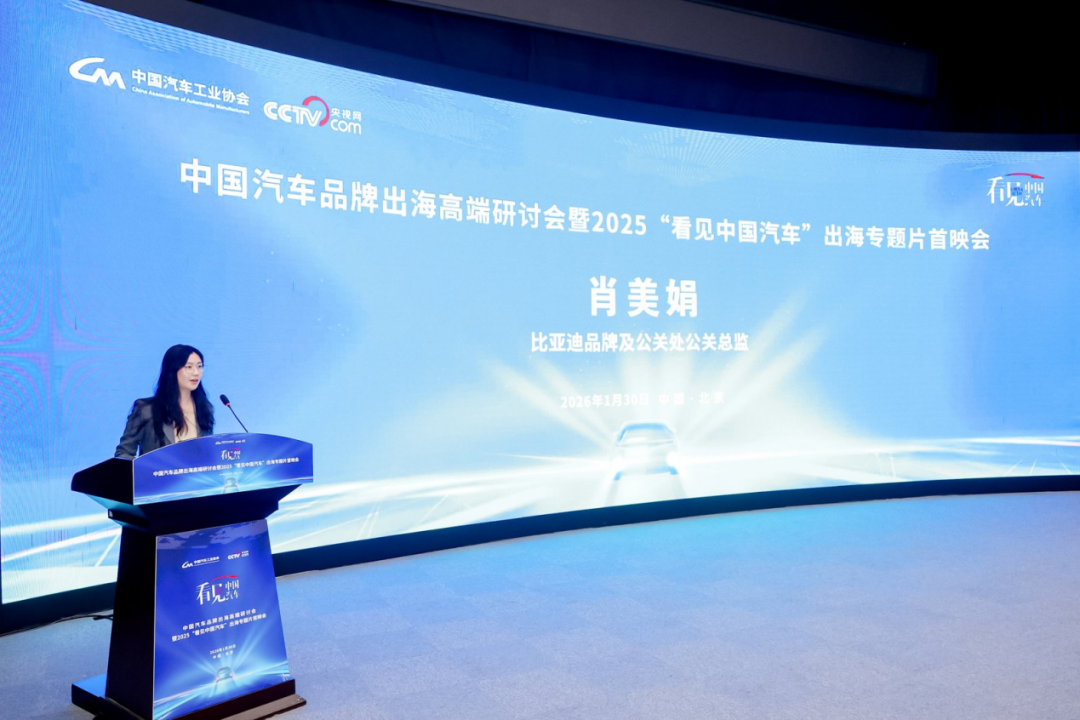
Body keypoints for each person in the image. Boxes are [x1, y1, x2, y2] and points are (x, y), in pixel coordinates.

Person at [115, 344, 215, 458]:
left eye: (199, 366)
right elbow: (123, 453)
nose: (196, 372)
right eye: (189, 367)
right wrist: (143, 468)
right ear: (173, 370)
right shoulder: (146, 410)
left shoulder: (205, 408)